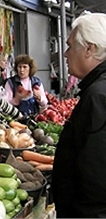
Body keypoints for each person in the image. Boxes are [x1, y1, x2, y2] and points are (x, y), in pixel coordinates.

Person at [52, 13, 106, 218]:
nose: (65, 54)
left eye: (70, 46)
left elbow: (96, 176)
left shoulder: (98, 96)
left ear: (89, 49)